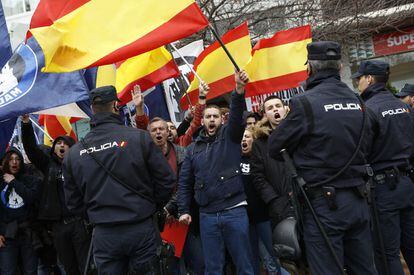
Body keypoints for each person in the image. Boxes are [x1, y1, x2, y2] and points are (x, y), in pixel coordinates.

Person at [268, 41, 377, 275]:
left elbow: (274, 146)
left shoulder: (304, 103)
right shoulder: (358, 101)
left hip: (325, 206)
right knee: (365, 269)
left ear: (310, 69)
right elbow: (370, 142)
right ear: (338, 68)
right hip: (358, 200)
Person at [63, 85, 175, 274]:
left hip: (105, 232)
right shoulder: (139, 138)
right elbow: (167, 181)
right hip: (140, 227)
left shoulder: (74, 154)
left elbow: (73, 203)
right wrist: (149, 206)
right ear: (116, 106)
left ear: (92, 109)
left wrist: (99, 214)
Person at [178, 70, 255, 275]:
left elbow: (238, 116)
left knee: (244, 265)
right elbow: (185, 182)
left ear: (222, 119)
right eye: (207, 117)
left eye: (215, 116)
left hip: (234, 210)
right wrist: (183, 210)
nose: (212, 120)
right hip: (207, 215)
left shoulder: (230, 137)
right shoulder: (192, 149)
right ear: (202, 121)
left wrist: (238, 90)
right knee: (213, 268)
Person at [353, 60, 414, 275]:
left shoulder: (367, 109)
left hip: (383, 189)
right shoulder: (405, 106)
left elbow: (361, 151)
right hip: (407, 184)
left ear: (369, 79)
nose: (357, 83)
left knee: (387, 254)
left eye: (359, 78)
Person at [21, 115, 90, 275]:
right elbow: (31, 149)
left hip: (79, 223)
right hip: (58, 226)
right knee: (68, 267)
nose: (61, 146)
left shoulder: (79, 165)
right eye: (58, 143)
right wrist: (25, 124)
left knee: (86, 265)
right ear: (54, 147)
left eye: (65, 143)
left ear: (72, 148)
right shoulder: (48, 165)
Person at [241, 128, 288, 275]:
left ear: (254, 140)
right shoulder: (235, 161)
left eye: (247, 137)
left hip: (264, 216)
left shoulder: (260, 158)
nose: (244, 140)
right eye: (241, 138)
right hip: (245, 219)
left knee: (274, 253)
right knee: (252, 257)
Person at [250, 96, 293, 228]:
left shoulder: (298, 133)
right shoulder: (259, 143)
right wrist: (274, 200)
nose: (275, 109)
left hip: (306, 198)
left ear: (285, 110)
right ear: (265, 115)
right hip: (280, 205)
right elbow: (258, 176)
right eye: (270, 108)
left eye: (278, 106)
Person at [0, 148, 40, 275]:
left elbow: (30, 198)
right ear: (5, 162)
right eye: (11, 159)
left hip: (28, 234)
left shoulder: (30, 180)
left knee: (31, 271)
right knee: (8, 271)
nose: (14, 162)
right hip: (7, 236)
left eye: (17, 159)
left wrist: (13, 182)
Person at [132, 84, 206, 147]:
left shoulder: (183, 142)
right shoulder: (154, 149)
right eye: (165, 128)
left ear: (177, 133)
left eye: (172, 127)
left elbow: (196, 123)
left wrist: (202, 97)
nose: (169, 130)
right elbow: (143, 129)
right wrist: (139, 107)